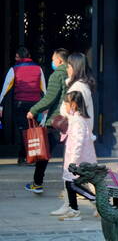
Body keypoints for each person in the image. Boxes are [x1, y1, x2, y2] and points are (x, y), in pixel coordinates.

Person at [50, 52, 96, 216]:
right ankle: (71, 205)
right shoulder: (80, 85)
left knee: (77, 174)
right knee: (80, 173)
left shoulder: (78, 88)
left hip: (77, 135)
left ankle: (89, 203)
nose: (67, 69)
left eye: (69, 66)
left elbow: (69, 111)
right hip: (78, 135)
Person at [24, 48, 69, 194]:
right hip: (70, 119)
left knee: (44, 151)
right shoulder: (72, 73)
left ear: (59, 60)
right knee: (71, 152)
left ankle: (37, 183)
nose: (52, 62)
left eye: (53, 59)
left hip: (56, 120)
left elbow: (49, 98)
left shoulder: (57, 75)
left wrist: (33, 110)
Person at [0, 47, 46, 164]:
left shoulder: (14, 69)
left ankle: (23, 157)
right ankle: (32, 156)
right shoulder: (38, 69)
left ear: (19, 57)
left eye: (15, 56)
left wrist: (0, 105)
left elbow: (5, 89)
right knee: (32, 129)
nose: (15, 59)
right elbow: (43, 89)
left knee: (22, 131)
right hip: (35, 104)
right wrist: (45, 105)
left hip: (20, 104)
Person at [57, 91, 97, 221]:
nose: (65, 106)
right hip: (73, 158)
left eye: (66, 103)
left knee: (73, 184)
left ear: (73, 104)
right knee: (70, 183)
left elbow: (78, 142)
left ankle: (94, 199)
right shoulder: (76, 119)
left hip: (77, 159)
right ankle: (74, 210)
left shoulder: (78, 120)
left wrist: (73, 161)